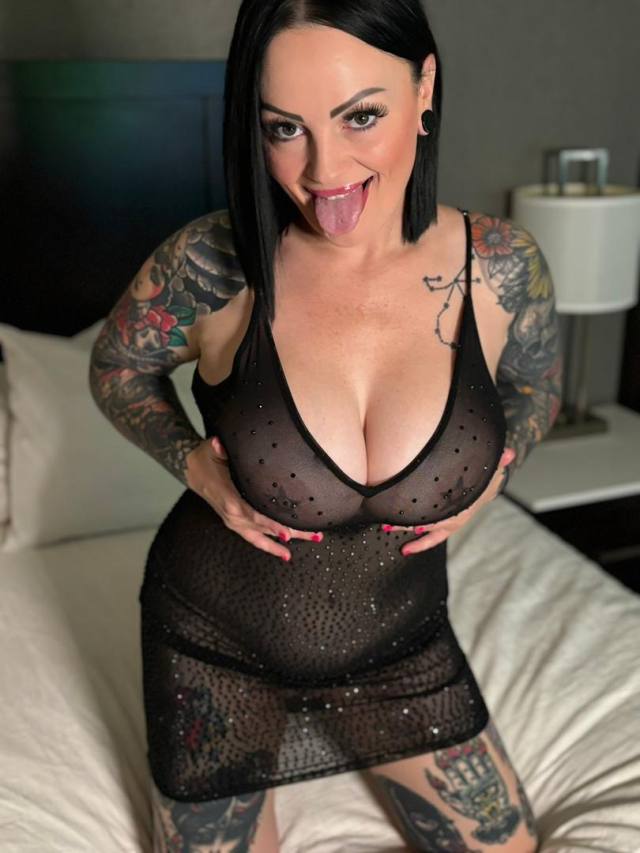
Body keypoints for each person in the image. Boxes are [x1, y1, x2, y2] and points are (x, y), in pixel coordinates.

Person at [89, 1, 562, 849]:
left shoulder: (499, 268)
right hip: (217, 646)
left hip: (402, 648)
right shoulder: (212, 266)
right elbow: (116, 366)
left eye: (361, 116)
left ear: (425, 86)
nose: (323, 170)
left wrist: (492, 475)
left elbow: (539, 388)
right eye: (284, 128)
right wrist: (193, 462)